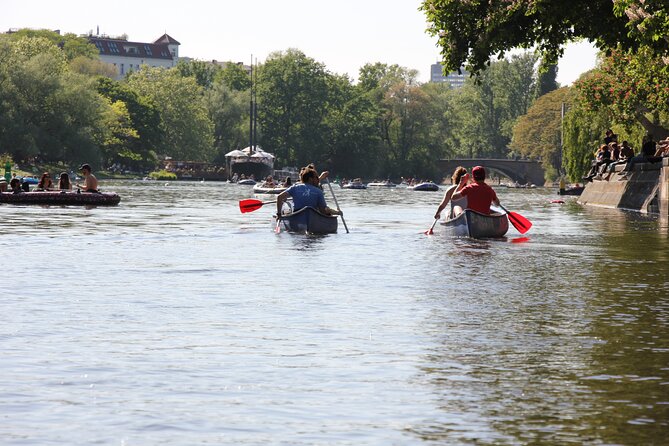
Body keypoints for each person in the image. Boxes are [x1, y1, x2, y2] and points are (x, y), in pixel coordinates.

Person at [276, 165, 342, 220]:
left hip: (297, 215)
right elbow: (323, 210)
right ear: (310, 179)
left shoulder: (295, 187)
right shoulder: (318, 191)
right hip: (313, 217)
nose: (318, 180)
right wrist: (337, 212)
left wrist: (279, 214)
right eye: (316, 178)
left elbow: (279, 197)